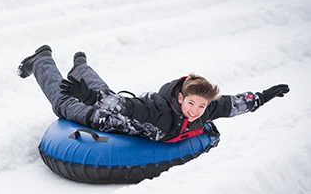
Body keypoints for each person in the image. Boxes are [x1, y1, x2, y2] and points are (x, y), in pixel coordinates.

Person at [17, 45, 289, 143]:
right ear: (180, 98)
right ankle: (42, 60)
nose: (195, 111)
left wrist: (263, 96)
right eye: (191, 103)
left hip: (115, 109)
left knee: (102, 90)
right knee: (63, 102)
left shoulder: (203, 110)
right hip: (102, 117)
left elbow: (232, 104)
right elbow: (125, 106)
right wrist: (88, 99)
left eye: (201, 106)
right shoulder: (159, 111)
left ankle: (81, 67)